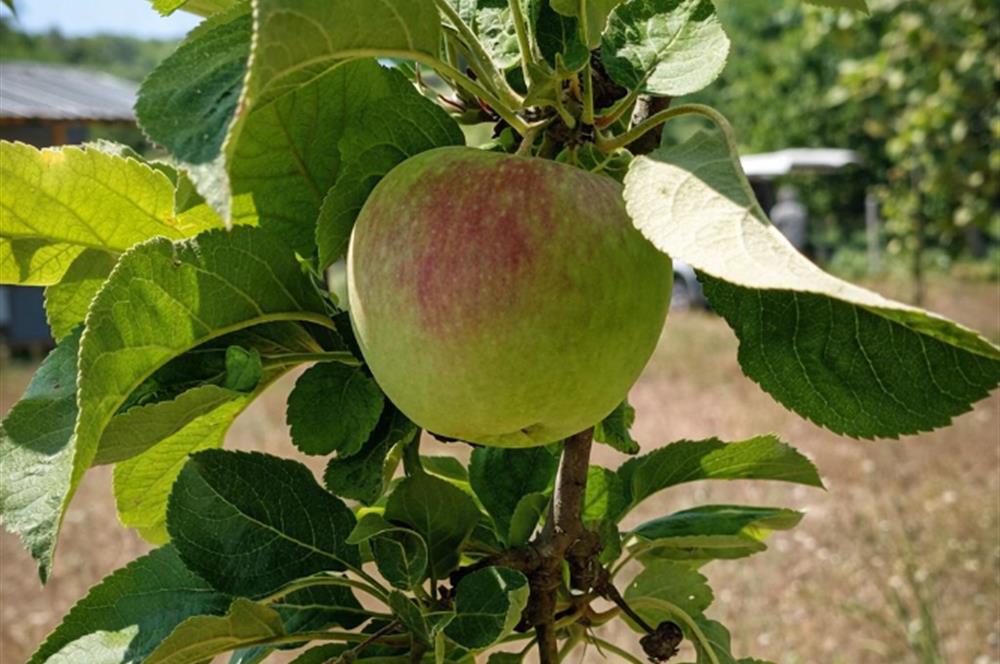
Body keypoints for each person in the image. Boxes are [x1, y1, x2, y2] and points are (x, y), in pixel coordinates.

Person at [769, 185, 808, 253]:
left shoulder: (778, 210)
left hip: (782, 241)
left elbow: (773, 226)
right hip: (799, 241)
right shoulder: (801, 209)